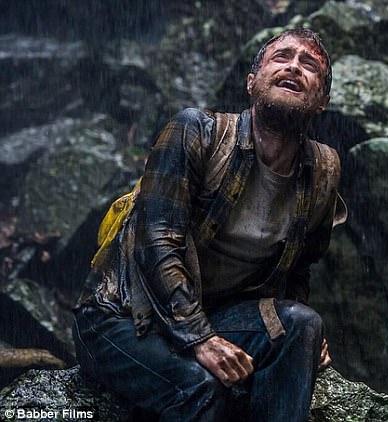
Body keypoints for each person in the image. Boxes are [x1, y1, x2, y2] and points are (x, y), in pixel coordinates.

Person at [72, 28, 346, 421]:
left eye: (309, 65)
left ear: (322, 101)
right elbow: (155, 242)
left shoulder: (322, 170)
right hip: (121, 317)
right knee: (201, 387)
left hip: (216, 315)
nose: (293, 67)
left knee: (303, 324)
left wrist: (304, 340)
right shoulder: (195, 131)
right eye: (281, 57)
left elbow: (300, 267)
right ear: (251, 82)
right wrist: (200, 338)